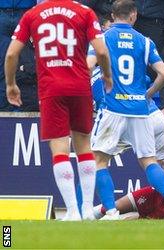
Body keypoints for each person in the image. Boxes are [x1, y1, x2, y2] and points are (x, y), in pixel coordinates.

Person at [5, 0, 112, 221]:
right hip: (80, 86)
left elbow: (11, 55)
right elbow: (101, 50)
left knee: (60, 150)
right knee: (84, 147)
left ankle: (72, 211)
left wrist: (10, 84)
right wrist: (107, 75)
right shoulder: (84, 12)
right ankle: (86, 209)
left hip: (51, 89)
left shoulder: (32, 14)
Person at [86, 0, 164, 220]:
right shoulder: (145, 41)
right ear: (134, 16)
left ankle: (111, 211)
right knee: (148, 160)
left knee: (100, 160)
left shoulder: (102, 39)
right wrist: (147, 95)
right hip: (141, 109)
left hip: (113, 107)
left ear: (112, 16)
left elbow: (88, 66)